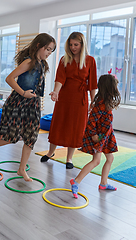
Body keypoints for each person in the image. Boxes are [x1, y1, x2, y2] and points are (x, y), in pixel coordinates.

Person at [0, 33, 56, 181]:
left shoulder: (42, 64)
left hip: (33, 104)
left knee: (31, 137)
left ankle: (22, 169)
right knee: (11, 137)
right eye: (47, 49)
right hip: (18, 103)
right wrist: (23, 92)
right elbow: (9, 78)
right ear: (39, 46)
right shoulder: (29, 62)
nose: (49, 53)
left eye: (51, 50)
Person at [40, 32, 97, 169]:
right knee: (58, 124)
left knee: (75, 127)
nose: (73, 47)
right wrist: (55, 92)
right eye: (71, 45)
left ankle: (69, 158)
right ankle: (51, 152)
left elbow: (92, 84)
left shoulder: (90, 60)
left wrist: (93, 102)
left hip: (80, 99)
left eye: (76, 45)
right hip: (64, 97)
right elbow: (60, 78)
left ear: (82, 45)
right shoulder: (64, 59)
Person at [70, 74, 121, 198]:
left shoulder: (106, 101)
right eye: (114, 85)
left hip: (106, 135)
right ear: (109, 87)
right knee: (96, 161)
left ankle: (103, 183)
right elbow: (91, 120)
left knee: (110, 159)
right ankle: (76, 181)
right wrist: (93, 135)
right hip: (98, 136)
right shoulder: (101, 103)